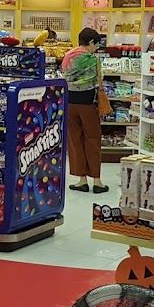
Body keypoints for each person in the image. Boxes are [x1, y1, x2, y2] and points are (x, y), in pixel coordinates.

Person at [61, 28, 109, 193]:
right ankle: (97, 181)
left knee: (75, 142)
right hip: (88, 105)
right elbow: (99, 82)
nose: (96, 48)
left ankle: (81, 180)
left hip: (70, 104)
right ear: (90, 43)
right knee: (93, 140)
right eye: (96, 45)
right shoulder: (92, 59)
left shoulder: (68, 56)